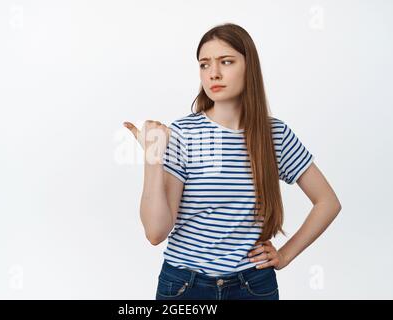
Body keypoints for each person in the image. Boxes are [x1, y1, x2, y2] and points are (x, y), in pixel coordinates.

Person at [123, 23, 342, 300]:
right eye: (204, 65)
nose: (213, 73)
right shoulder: (184, 133)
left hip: (254, 286)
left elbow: (328, 202)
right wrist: (153, 159)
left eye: (226, 62)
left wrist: (285, 255)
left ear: (249, 67)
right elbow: (156, 233)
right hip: (184, 287)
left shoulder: (275, 135)